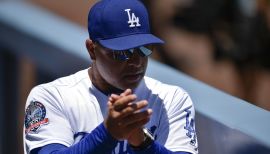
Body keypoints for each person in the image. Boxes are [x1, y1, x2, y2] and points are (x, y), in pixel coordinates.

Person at [23, 0, 198, 153]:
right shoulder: (52, 97)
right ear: (92, 49)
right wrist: (107, 134)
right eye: (122, 52)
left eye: (144, 49)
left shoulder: (170, 99)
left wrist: (143, 143)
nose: (136, 62)